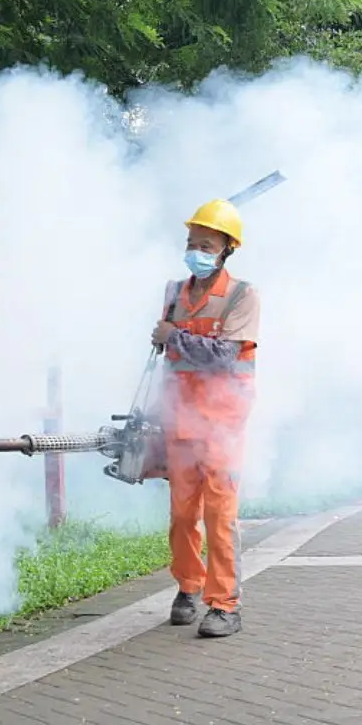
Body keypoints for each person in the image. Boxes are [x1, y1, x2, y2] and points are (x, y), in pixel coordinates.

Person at [149, 198, 259, 639]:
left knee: (219, 514)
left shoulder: (242, 295)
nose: (196, 250)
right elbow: (166, 352)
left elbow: (223, 358)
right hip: (179, 420)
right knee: (181, 515)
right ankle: (188, 589)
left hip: (222, 424)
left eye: (206, 244)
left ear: (227, 248)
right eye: (192, 242)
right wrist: (165, 338)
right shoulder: (174, 293)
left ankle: (224, 606)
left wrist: (172, 335)